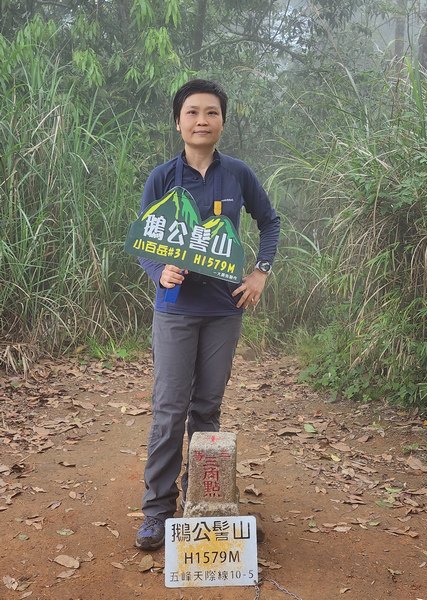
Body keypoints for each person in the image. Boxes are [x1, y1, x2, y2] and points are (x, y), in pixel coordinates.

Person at [135, 79, 280, 550]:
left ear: (222, 121)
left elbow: (270, 221)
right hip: (175, 311)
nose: (202, 120)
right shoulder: (162, 177)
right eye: (193, 112)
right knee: (169, 410)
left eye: (211, 112)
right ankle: (156, 512)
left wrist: (259, 272)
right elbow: (146, 243)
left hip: (223, 309)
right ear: (178, 121)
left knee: (206, 410)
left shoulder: (238, 174)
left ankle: (201, 502)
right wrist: (160, 272)